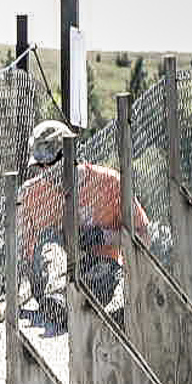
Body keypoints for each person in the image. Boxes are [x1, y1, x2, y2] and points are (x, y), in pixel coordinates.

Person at [18, 117, 151, 326]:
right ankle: (60, 301)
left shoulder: (110, 183)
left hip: (101, 268)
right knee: (49, 243)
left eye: (48, 165)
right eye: (39, 167)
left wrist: (104, 236)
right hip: (54, 277)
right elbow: (28, 255)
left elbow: (144, 237)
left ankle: (103, 306)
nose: (43, 173)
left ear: (66, 155)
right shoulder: (31, 194)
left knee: (111, 281)